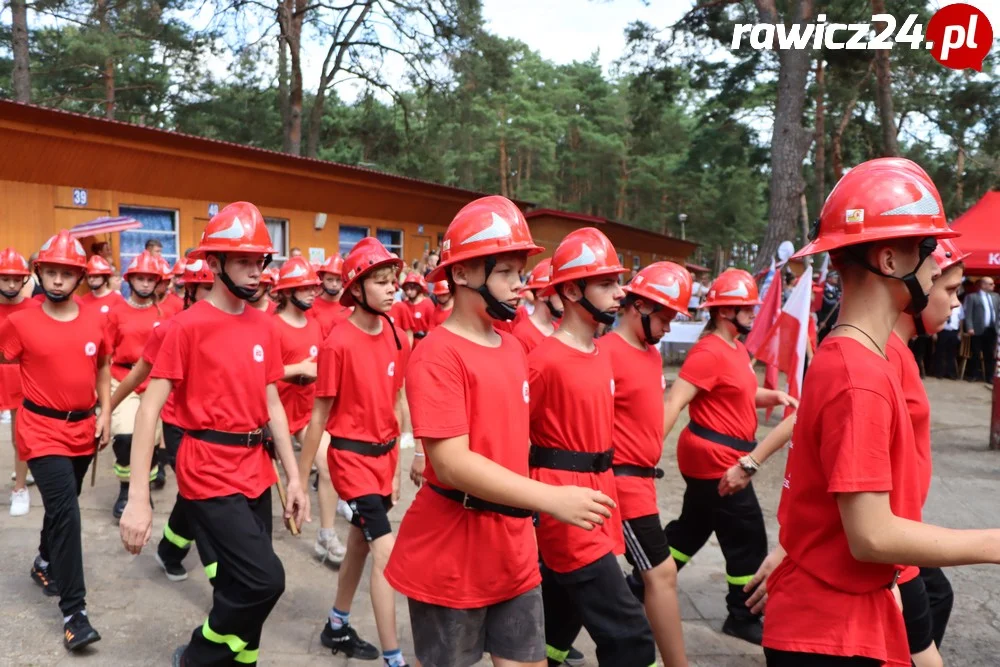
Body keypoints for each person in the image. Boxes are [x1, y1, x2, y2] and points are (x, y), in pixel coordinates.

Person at [757, 158, 1000, 667]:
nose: (938, 265)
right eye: (928, 249)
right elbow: (870, 536)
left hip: (835, 618)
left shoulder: (852, 356)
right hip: (828, 631)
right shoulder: (860, 375)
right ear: (889, 261)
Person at [385, 198, 614, 667]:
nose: (521, 283)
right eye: (507, 271)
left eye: (520, 270)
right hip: (452, 552)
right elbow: (452, 462)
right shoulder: (437, 355)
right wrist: (551, 498)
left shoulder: (512, 348)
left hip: (512, 548)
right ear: (464, 274)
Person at [118, 202, 308, 667]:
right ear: (214, 263)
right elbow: (148, 411)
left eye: (259, 261)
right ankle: (199, 656)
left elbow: (272, 405)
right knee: (265, 581)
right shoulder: (185, 328)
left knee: (238, 585)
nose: (254, 272)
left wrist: (295, 478)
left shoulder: (264, 324)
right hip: (207, 470)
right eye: (242, 261)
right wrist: (139, 498)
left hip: (256, 470)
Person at [634, 268, 795, 646]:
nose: (753, 313)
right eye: (746, 307)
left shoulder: (736, 349)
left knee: (691, 529)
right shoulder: (707, 351)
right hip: (715, 459)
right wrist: (647, 449)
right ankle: (742, 616)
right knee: (748, 536)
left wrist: (770, 397)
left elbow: (733, 392)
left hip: (722, 453)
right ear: (724, 312)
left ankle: (637, 585)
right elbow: (676, 401)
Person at [529, 226, 655, 667]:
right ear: (569, 290)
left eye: (617, 282)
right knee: (631, 638)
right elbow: (515, 438)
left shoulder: (603, 352)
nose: (619, 293)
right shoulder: (543, 362)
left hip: (601, 499)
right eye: (606, 284)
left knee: (560, 621)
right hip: (566, 509)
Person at [298, 238, 410, 665]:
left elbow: (395, 399)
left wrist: (400, 460)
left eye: (392, 280)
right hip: (352, 463)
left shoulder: (396, 334)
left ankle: (337, 625)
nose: (391, 288)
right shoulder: (338, 343)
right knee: (385, 551)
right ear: (357, 289)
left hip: (384, 461)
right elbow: (318, 416)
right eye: (381, 282)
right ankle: (395, 657)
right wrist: (298, 481)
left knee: (361, 545)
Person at [0, 231, 111, 650]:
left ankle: (44, 561)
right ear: (38, 273)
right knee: (67, 513)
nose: (59, 280)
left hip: (83, 428)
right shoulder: (20, 322)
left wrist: (105, 412)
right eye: (52, 271)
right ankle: (74, 613)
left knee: (64, 507)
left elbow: (103, 365)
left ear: (80, 276)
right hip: (40, 431)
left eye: (67, 273)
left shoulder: (96, 319)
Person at [601, 261, 692, 667]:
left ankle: (551, 651)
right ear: (639, 307)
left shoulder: (651, 356)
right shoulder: (605, 353)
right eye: (667, 318)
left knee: (575, 585)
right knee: (662, 573)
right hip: (621, 484)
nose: (670, 328)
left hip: (642, 481)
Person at [884, 238, 966, 666]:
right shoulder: (887, 355)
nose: (955, 304)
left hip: (901, 533)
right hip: (890, 543)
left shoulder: (901, 353)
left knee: (938, 597)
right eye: (947, 288)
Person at [108, 258, 215, 582]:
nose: (214, 295)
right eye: (207, 288)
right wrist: (103, 410)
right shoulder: (174, 326)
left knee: (192, 494)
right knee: (203, 497)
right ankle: (221, 577)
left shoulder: (239, 326)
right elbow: (139, 373)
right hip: (180, 422)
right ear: (191, 289)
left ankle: (170, 549)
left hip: (216, 426)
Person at [271, 257, 346, 565]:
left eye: (314, 287)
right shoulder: (271, 325)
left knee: (330, 466)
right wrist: (297, 369)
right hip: (272, 416)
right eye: (305, 288)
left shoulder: (314, 324)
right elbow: (257, 373)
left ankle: (326, 534)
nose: (313, 292)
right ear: (287, 292)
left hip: (306, 413)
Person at [107, 251, 168, 519]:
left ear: (157, 282)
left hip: (155, 381)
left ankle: (142, 486)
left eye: (150, 279)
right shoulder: (116, 312)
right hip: (122, 377)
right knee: (124, 437)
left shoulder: (165, 314)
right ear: (130, 280)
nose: (145, 283)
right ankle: (125, 488)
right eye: (140, 278)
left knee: (151, 440)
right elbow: (105, 354)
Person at [1, 248, 40, 517]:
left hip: (21, 374)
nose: (12, 284)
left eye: (17, 279)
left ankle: (19, 488)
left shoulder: (34, 308)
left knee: (20, 436)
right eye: (6, 279)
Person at [512, 259, 562, 355]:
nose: (566, 299)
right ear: (541, 294)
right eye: (559, 293)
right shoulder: (523, 333)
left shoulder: (560, 329)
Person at [962, 276, 999, 382]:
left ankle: (989, 377)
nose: (993, 285)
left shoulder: (996, 296)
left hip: (992, 329)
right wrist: (969, 327)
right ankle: (973, 375)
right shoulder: (972, 297)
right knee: (976, 353)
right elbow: (968, 313)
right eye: (991, 284)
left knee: (990, 355)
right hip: (977, 329)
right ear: (983, 285)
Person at [310, 255, 352, 338]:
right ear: (322, 279)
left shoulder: (351, 305)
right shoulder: (311, 305)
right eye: (329, 279)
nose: (334, 284)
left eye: (338, 280)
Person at [400, 272, 435, 343]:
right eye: (406, 289)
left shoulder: (427, 303)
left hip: (422, 342)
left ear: (418, 288)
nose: (409, 292)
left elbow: (432, 325)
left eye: (412, 289)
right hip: (407, 342)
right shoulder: (403, 305)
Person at [933, 300, 963, 379]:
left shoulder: (959, 305)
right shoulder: (942, 303)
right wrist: (934, 332)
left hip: (954, 332)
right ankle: (939, 373)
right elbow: (936, 318)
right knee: (940, 352)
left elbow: (961, 319)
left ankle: (950, 373)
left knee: (952, 353)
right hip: (942, 331)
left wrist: (961, 331)